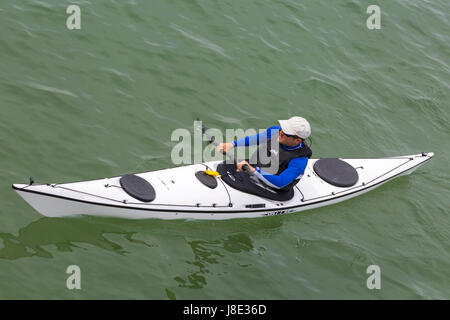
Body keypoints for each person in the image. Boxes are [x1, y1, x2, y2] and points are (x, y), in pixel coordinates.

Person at [216, 116, 312, 191]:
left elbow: (280, 183)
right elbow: (257, 139)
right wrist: (232, 144)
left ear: (297, 140)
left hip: (274, 186)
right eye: (283, 128)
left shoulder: (300, 160)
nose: (281, 132)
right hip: (256, 167)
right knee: (224, 166)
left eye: (286, 132)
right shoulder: (276, 131)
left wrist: (253, 171)